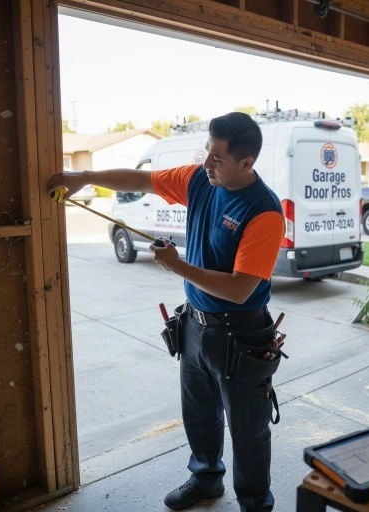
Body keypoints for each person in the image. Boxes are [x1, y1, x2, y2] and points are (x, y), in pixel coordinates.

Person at [47, 112, 285, 512]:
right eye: (207, 153)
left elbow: (242, 289)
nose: (207, 164)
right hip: (195, 323)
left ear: (247, 163)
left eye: (217, 159)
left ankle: (256, 504)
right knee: (198, 411)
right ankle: (206, 478)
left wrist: (178, 266)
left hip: (241, 333)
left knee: (248, 429)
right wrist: (84, 176)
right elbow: (141, 180)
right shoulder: (199, 180)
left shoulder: (264, 211)